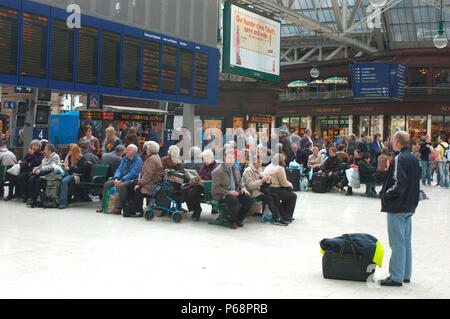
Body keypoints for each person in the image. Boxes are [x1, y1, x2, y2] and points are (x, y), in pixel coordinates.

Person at [379, 131, 420, 287]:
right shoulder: (413, 158)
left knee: (397, 242)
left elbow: (398, 184)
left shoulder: (399, 158)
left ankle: (396, 276)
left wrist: (385, 194)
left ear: (396, 141)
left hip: (398, 205)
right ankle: (405, 273)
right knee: (406, 241)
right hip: (410, 204)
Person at [243, 154, 288, 226]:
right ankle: (277, 218)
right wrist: (262, 181)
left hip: (258, 190)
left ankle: (281, 216)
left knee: (275, 196)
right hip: (251, 192)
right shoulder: (248, 171)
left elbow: (262, 177)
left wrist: (267, 179)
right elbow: (250, 186)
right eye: (258, 162)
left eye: (260, 162)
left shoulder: (258, 169)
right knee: (269, 198)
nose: (260, 164)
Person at [211, 149, 253, 229]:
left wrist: (243, 188)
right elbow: (215, 188)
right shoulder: (217, 171)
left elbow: (240, 180)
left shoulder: (235, 167)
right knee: (234, 201)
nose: (232, 160)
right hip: (222, 194)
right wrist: (228, 192)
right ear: (224, 158)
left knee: (249, 199)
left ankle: (239, 220)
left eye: (233, 158)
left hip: (236, 192)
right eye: (229, 158)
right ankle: (232, 221)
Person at [96, 144, 142, 214]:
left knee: (121, 186)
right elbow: (119, 170)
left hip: (132, 180)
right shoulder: (125, 159)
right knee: (107, 184)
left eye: (128, 150)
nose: (126, 151)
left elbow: (134, 173)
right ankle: (104, 206)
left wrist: (122, 180)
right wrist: (116, 178)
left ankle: (118, 207)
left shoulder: (138, 160)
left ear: (134, 151)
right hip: (121, 178)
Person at [59, 142, 100, 209]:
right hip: (70, 173)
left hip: (77, 175)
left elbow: (79, 169)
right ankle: (63, 198)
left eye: (70, 150)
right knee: (60, 179)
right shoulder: (70, 157)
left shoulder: (81, 158)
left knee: (65, 181)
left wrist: (69, 168)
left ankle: (63, 201)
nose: (69, 152)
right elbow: (66, 164)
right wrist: (67, 156)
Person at [181, 149, 218, 221]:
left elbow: (212, 180)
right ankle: (194, 208)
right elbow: (200, 174)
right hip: (199, 184)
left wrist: (204, 182)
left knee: (191, 192)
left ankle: (197, 209)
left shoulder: (215, 167)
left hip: (207, 187)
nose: (204, 161)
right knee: (184, 190)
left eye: (205, 159)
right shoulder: (205, 164)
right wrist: (193, 180)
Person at [262, 153, 297, 223]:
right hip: (275, 189)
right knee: (293, 196)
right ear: (281, 161)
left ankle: (283, 214)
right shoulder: (280, 168)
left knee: (287, 193)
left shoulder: (269, 166)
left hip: (267, 189)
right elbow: (283, 183)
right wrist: (291, 184)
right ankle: (287, 216)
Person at [134, 141, 163, 215]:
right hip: (152, 183)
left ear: (150, 149)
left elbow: (148, 176)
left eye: (147, 148)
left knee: (136, 189)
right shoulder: (154, 157)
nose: (146, 150)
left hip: (151, 185)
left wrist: (139, 184)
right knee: (132, 185)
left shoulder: (152, 159)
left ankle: (138, 211)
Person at [27, 144, 61, 208]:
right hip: (43, 174)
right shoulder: (45, 157)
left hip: (50, 176)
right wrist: (36, 168)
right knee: (32, 179)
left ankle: (34, 200)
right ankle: (31, 198)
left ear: (49, 150)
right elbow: (41, 165)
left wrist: (41, 169)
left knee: (38, 181)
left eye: (45, 149)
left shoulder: (56, 157)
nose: (44, 151)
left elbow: (52, 166)